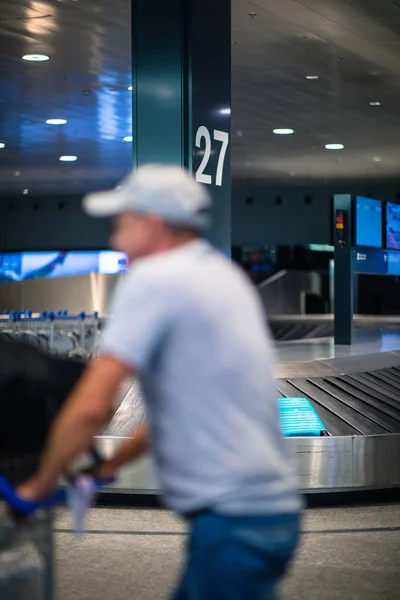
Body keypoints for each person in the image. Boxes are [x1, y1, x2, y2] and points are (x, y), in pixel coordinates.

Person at [17, 165, 302, 599]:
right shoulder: (223, 277)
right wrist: (107, 466)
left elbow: (94, 403)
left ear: (150, 225)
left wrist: (40, 484)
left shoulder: (155, 279)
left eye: (120, 226)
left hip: (233, 522)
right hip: (266, 512)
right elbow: (174, 411)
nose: (115, 241)